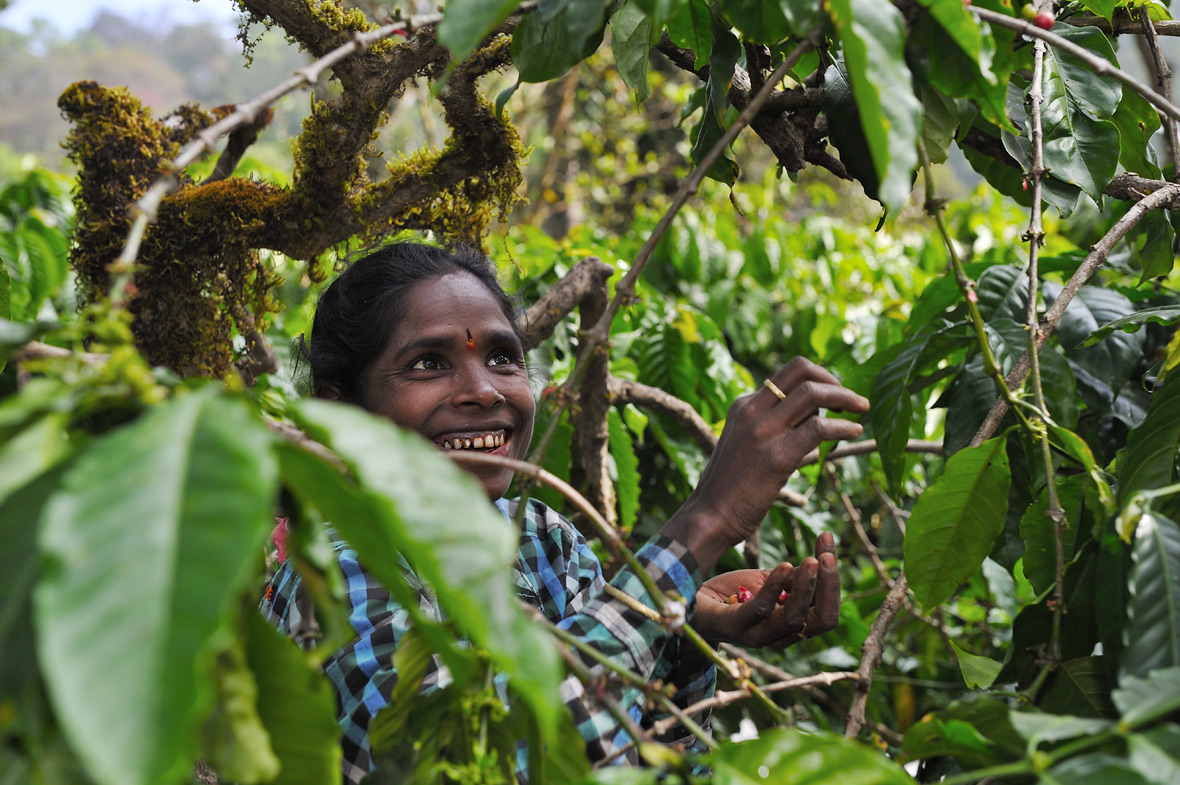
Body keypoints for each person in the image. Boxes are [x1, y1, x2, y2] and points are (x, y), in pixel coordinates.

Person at [260, 241, 869, 784]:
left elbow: (639, 765)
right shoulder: (329, 577)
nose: (485, 390)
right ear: (344, 412)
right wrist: (702, 525)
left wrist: (682, 642)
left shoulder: (540, 541)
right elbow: (479, 764)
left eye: (503, 357)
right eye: (429, 363)